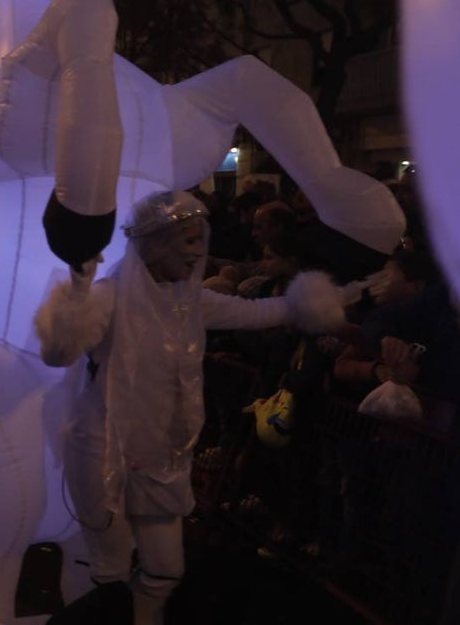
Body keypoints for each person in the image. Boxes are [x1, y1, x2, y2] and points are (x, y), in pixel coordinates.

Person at [34, 189, 350, 625]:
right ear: (156, 242)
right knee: (108, 576)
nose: (199, 250)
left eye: (200, 238)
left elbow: (256, 312)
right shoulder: (110, 296)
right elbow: (58, 352)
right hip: (103, 450)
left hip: (162, 457)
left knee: (166, 569)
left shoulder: (190, 302)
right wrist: (77, 296)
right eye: (186, 239)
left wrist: (320, 301)